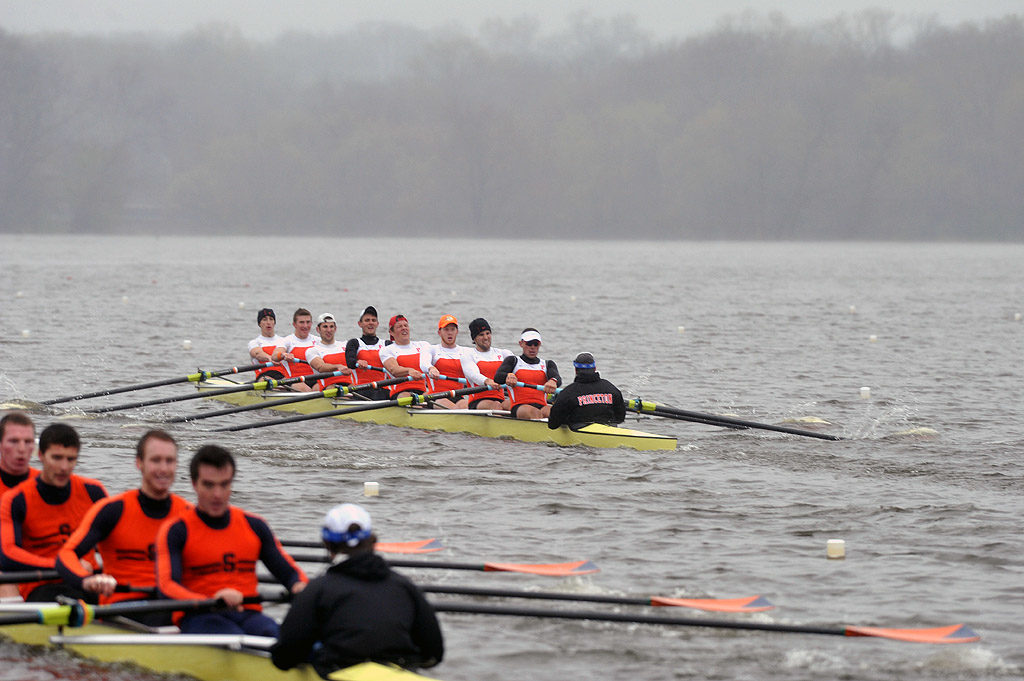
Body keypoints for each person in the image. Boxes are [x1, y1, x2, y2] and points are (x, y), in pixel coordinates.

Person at [271, 503, 443, 677]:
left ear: (326, 543)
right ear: (372, 541)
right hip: (401, 670)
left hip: (338, 671)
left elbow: (284, 658)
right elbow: (434, 653)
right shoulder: (405, 586)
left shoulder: (318, 589)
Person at [155, 445, 307, 635]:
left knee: (283, 638)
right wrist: (212, 600)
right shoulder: (177, 531)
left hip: (248, 615)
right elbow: (166, 588)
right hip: (199, 616)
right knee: (234, 636)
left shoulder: (254, 525)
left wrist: (300, 587)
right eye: (209, 485)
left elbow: (291, 573)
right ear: (195, 484)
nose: (217, 494)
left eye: (224, 484)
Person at [55, 430, 192, 623]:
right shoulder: (112, 510)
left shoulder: (188, 513)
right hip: (124, 604)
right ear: (139, 463)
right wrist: (87, 580)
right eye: (156, 460)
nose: (163, 468)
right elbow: (66, 555)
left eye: (169, 461)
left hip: (173, 602)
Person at [0, 423, 107, 602]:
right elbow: (9, 557)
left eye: (70, 459)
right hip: (43, 585)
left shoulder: (93, 491)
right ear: (41, 456)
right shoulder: (17, 499)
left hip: (88, 581)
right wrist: (65, 566)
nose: (64, 467)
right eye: (57, 458)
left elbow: (116, 542)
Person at [0, 411, 38, 600]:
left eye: (28, 442)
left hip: (39, 570)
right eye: (13, 441)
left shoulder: (49, 484)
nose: (22, 449)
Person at [493, 329, 561, 420]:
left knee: (558, 412)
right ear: (521, 344)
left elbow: (558, 379)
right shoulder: (513, 361)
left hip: (542, 406)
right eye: (529, 344)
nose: (532, 347)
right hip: (519, 407)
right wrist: (508, 376)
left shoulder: (548, 364)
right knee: (534, 412)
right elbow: (498, 377)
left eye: (535, 344)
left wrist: (553, 381)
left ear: (539, 344)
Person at [547, 353, 626, 430]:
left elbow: (553, 425)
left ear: (575, 370)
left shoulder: (568, 392)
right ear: (594, 368)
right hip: (610, 430)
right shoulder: (611, 388)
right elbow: (620, 418)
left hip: (579, 430)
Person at [463, 318, 513, 411]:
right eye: (481, 335)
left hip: (500, 399)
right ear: (474, 338)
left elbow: (518, 369)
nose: (486, 337)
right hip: (478, 401)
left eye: (488, 333)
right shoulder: (468, 355)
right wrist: (487, 381)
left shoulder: (503, 353)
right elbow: (473, 374)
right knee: (496, 406)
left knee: (515, 405)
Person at [427, 315, 475, 409]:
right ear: (439, 332)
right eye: (446, 329)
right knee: (454, 409)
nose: (450, 333)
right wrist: (431, 368)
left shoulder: (466, 352)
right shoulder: (432, 350)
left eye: (452, 329)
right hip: (436, 397)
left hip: (458, 396)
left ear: (457, 332)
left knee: (467, 406)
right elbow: (423, 364)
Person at [378, 315, 432, 400]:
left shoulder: (423, 345)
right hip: (400, 393)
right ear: (391, 332)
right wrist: (409, 370)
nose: (404, 328)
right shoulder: (386, 350)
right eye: (399, 326)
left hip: (423, 391)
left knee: (436, 394)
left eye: (406, 325)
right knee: (407, 397)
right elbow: (394, 370)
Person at [343, 306, 389, 400]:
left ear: (377, 323)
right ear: (360, 324)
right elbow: (350, 362)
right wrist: (358, 362)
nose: (371, 323)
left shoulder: (387, 344)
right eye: (367, 320)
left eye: (373, 320)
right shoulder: (354, 343)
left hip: (382, 389)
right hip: (360, 390)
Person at [307, 313, 354, 392]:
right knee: (333, 389)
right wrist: (337, 367)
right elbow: (321, 367)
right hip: (328, 388)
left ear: (335, 329)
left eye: (331, 327)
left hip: (350, 386)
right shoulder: (312, 350)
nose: (329, 330)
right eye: (325, 327)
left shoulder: (345, 345)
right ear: (318, 330)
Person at [275, 308, 317, 391]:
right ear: (294, 324)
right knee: (305, 389)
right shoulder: (287, 340)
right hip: (293, 380)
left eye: (308, 322)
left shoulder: (318, 341)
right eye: (301, 322)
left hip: (315, 379)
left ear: (311, 323)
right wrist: (283, 355)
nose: (305, 326)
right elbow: (275, 355)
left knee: (320, 389)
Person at [248, 307, 288, 381]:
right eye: (264, 319)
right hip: (264, 377)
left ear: (274, 323)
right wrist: (270, 358)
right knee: (266, 380)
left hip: (283, 376)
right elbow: (258, 354)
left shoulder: (283, 341)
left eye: (271, 319)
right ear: (259, 323)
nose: (268, 322)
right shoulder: (254, 342)